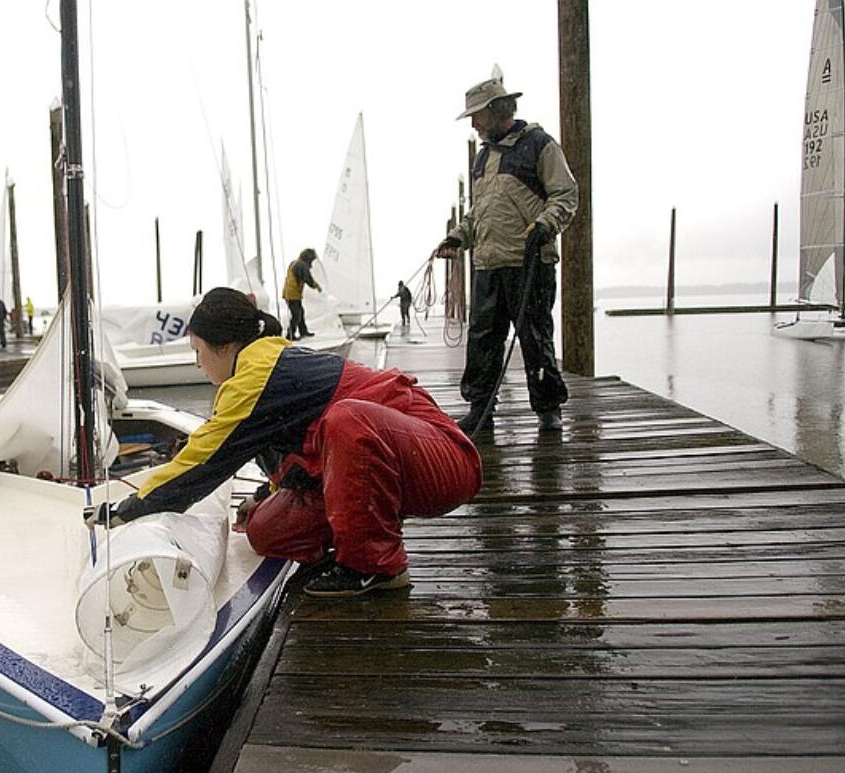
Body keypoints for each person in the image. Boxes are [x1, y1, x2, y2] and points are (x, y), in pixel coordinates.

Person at [86, 287, 483, 598]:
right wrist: (267, 493)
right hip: (390, 464)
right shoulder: (263, 370)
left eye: (198, 351)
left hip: (445, 462)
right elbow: (296, 445)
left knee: (347, 420)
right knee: (266, 530)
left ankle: (376, 567)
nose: (196, 363)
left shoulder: (256, 377)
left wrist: (131, 509)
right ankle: (358, 534)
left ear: (223, 347)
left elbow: (201, 460)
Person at [436, 73, 578, 434]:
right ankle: (481, 409)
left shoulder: (539, 144)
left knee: (534, 337)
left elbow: (566, 195)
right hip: (487, 263)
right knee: (482, 341)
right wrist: (457, 237)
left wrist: (546, 225)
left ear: (498, 110)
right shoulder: (482, 159)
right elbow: (479, 211)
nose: (473, 123)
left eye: (477, 115)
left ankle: (548, 410)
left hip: (529, 262)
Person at [282, 247, 322, 341]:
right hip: (292, 294)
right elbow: (308, 279)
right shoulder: (302, 265)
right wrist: (317, 286)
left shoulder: (295, 262)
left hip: (290, 293)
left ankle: (303, 331)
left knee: (300, 312)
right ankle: (290, 335)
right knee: (296, 314)